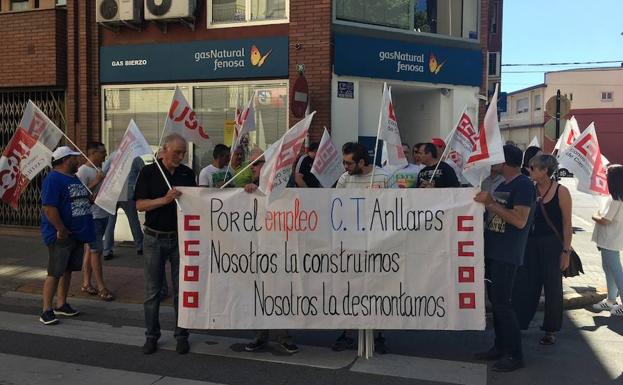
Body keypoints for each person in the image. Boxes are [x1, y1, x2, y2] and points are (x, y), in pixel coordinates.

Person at [473, 144, 536, 372]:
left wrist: (490, 203)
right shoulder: (506, 184)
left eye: (495, 159)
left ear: (503, 162)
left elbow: (519, 220)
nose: (492, 163)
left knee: (503, 305)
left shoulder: (523, 185)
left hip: (507, 255)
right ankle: (500, 347)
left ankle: (515, 354)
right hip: (494, 252)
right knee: (497, 305)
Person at [134, 134, 197, 355]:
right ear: (164, 149)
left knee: (182, 290)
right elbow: (140, 205)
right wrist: (165, 199)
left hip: (180, 238)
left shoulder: (187, 173)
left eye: (183, 153)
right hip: (154, 238)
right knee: (152, 292)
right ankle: (152, 335)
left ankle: (182, 335)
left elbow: (198, 201)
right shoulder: (149, 172)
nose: (180, 156)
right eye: (177, 152)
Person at [242, 149, 299, 353]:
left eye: (257, 163)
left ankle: (284, 336)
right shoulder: (251, 189)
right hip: (257, 251)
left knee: (279, 293)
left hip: (279, 250)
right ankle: (260, 335)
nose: (253, 168)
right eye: (252, 164)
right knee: (259, 293)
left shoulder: (283, 186)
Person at [334, 142, 389, 354]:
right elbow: (334, 204)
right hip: (351, 244)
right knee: (350, 290)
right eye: (343, 162)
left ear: (362, 162)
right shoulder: (344, 179)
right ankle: (347, 333)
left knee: (377, 290)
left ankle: (378, 335)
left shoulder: (384, 177)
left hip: (378, 244)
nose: (345, 167)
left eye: (349, 163)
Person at [512, 155, 572, 345]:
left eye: (533, 168)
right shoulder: (530, 188)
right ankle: (520, 323)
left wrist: (566, 252)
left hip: (552, 244)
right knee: (526, 284)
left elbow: (567, 224)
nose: (529, 171)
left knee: (552, 286)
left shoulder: (561, 191)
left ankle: (550, 329)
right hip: (530, 243)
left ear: (544, 170)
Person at [39, 146, 95, 325]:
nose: (77, 160)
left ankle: (61, 303)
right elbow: (49, 207)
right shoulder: (53, 179)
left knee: (67, 270)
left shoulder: (74, 178)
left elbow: (80, 199)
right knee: (55, 272)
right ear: (65, 160)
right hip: (61, 235)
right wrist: (60, 228)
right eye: (73, 157)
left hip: (76, 233)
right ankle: (46, 310)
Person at [76, 142, 114, 301]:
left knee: (90, 250)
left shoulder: (98, 169)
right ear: (92, 153)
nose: (105, 155)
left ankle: (86, 283)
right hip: (93, 217)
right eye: (102, 152)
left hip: (102, 214)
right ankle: (101, 286)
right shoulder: (83, 171)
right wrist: (97, 181)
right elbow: (78, 194)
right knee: (96, 251)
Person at [591, 164, 623, 316]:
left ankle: (617, 301)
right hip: (609, 240)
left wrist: (595, 215)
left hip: (610, 241)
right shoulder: (616, 197)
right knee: (609, 269)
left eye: (606, 175)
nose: (604, 177)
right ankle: (611, 300)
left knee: (616, 272)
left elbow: (605, 220)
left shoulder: (615, 200)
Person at [102, 154, 145, 260]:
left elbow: (104, 171)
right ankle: (140, 246)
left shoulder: (114, 155)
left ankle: (107, 250)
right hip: (128, 192)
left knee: (110, 223)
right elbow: (145, 172)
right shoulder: (136, 157)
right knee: (133, 220)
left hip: (113, 192)